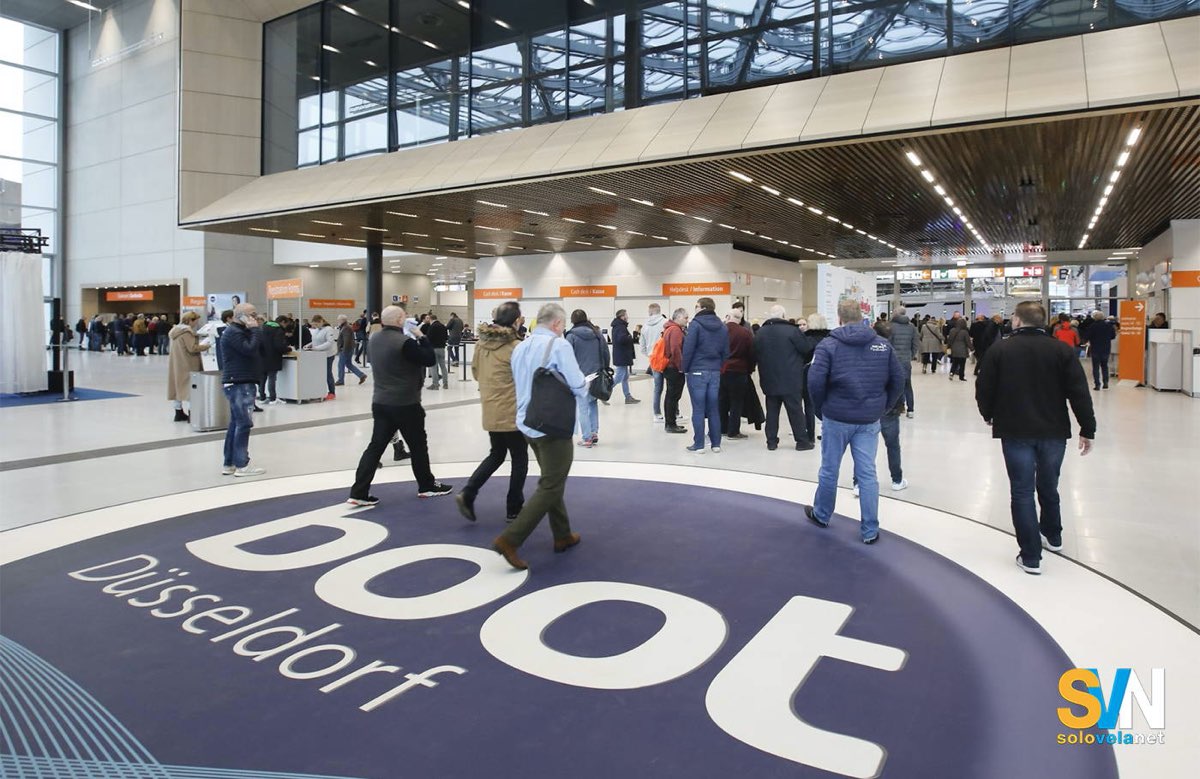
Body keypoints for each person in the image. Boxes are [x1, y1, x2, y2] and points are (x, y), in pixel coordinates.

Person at [976, 301, 1096, 575]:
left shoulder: (1000, 350)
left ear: (1017, 321)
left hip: (1014, 429)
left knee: (1021, 490)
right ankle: (1053, 536)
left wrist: (988, 414)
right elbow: (1079, 392)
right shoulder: (1061, 351)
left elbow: (984, 387)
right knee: (1049, 484)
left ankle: (1031, 556)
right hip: (1053, 430)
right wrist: (1087, 428)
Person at [490, 303, 590, 571]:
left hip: (526, 422)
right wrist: (588, 384)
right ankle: (510, 540)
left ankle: (562, 535)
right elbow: (577, 384)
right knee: (551, 485)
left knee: (551, 479)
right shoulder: (559, 346)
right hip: (552, 425)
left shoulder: (520, 346)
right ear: (557, 324)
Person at [804, 298, 904, 545]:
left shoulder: (828, 346)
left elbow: (814, 382)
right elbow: (898, 379)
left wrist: (821, 409)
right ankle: (870, 529)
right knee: (867, 473)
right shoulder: (882, 345)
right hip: (869, 419)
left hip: (837, 417)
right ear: (862, 316)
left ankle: (822, 514)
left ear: (838, 318)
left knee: (829, 469)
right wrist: (884, 406)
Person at [346, 304, 452, 505]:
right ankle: (426, 485)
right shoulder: (404, 342)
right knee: (418, 445)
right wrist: (421, 336)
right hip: (406, 403)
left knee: (375, 447)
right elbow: (429, 359)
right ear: (399, 320)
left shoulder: (374, 339)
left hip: (380, 402)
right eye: (403, 317)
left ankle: (358, 491)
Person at [457, 302, 528, 524]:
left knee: (497, 453)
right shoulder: (516, 346)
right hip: (512, 410)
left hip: (490, 408)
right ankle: (514, 507)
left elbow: (476, 373)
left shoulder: (481, 344)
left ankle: (469, 492)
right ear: (516, 321)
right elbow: (525, 379)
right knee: (519, 457)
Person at [854, 320, 908, 494]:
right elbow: (899, 382)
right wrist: (891, 403)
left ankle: (858, 482)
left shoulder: (862, 353)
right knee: (892, 444)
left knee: (864, 447)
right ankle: (897, 479)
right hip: (888, 408)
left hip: (867, 407)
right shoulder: (893, 354)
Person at [754, 305, 813, 451]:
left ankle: (771, 442)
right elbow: (806, 349)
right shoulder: (792, 331)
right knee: (795, 411)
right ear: (784, 315)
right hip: (791, 378)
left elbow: (754, 352)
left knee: (772, 411)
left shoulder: (761, 332)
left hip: (769, 378)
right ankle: (801, 441)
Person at [219, 303, 266, 477]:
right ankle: (242, 464)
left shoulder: (239, 331)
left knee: (235, 423)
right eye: (251, 314)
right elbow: (250, 349)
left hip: (241, 380)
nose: (255, 317)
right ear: (240, 316)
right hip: (240, 382)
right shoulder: (234, 333)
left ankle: (230, 462)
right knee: (244, 423)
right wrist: (255, 330)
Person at [682, 297, 730, 453]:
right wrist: (719, 366)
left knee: (698, 409)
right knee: (713, 408)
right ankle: (716, 444)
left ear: (702, 308)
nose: (694, 309)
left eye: (696, 306)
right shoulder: (723, 327)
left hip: (697, 370)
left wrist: (685, 368)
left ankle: (699, 444)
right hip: (714, 371)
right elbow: (726, 352)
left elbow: (688, 349)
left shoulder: (695, 325)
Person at [565, 310, 609, 447]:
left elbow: (566, 358)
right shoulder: (597, 334)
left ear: (572, 320)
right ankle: (594, 432)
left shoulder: (570, 336)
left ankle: (587, 437)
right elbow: (605, 353)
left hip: (579, 376)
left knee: (582, 407)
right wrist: (605, 369)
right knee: (593, 404)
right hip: (596, 375)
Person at [167, 311, 212, 422]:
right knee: (191, 388)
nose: (197, 323)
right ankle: (193, 415)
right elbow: (192, 348)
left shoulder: (175, 331)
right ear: (190, 320)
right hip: (188, 363)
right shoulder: (187, 332)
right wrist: (206, 346)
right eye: (196, 320)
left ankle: (178, 413)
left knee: (177, 388)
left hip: (177, 363)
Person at [718, 308, 755, 439]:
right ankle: (733, 431)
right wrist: (750, 369)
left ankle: (722, 428)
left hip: (722, 370)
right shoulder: (745, 333)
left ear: (728, 317)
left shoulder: (720, 331)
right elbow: (751, 353)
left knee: (722, 400)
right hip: (739, 371)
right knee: (736, 402)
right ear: (740, 319)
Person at [801, 312, 832, 445]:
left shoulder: (806, 340)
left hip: (809, 373)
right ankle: (827, 433)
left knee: (809, 405)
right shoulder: (830, 339)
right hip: (829, 374)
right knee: (828, 404)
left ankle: (810, 436)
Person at [887, 305, 919, 416]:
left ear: (895, 314)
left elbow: (888, 343)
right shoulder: (912, 327)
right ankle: (911, 410)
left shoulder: (891, 327)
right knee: (907, 385)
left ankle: (898, 407)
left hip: (894, 361)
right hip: (906, 360)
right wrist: (910, 355)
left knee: (895, 384)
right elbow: (915, 343)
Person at [661, 307, 689, 434]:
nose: (687, 320)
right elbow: (676, 350)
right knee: (673, 396)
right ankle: (671, 424)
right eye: (685, 317)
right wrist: (681, 367)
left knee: (670, 396)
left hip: (670, 367)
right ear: (678, 317)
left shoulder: (669, 329)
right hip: (674, 368)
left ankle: (670, 422)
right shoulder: (676, 330)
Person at [641, 303, 668, 421]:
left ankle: (657, 414)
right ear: (659, 310)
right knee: (672, 387)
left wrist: (650, 355)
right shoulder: (666, 323)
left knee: (658, 388)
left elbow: (642, 347)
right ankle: (675, 413)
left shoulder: (644, 326)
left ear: (650, 312)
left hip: (653, 360)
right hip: (667, 359)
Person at [259, 316, 292, 404]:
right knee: (272, 377)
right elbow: (279, 346)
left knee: (262, 378)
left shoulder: (263, 327)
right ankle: (273, 398)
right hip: (273, 357)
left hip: (262, 356)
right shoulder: (278, 330)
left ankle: (262, 397)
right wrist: (288, 349)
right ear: (283, 322)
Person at [609, 309, 640, 404]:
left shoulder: (618, 326)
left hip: (621, 355)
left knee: (625, 376)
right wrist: (630, 337)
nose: (627, 317)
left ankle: (628, 396)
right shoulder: (620, 327)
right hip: (622, 355)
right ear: (622, 316)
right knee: (619, 376)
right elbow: (621, 339)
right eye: (626, 315)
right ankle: (603, 391)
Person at [306, 314, 337, 400]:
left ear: (321, 321)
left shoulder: (329, 329)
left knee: (328, 373)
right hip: (318, 355)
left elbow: (329, 342)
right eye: (314, 325)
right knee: (318, 374)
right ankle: (318, 391)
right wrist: (309, 345)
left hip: (328, 355)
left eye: (316, 324)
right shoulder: (317, 330)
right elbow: (315, 341)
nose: (315, 326)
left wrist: (317, 348)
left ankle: (332, 392)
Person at [1084, 310, 1116, 390]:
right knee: (1105, 366)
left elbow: (1087, 337)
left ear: (1094, 318)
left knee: (1095, 367)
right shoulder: (1109, 326)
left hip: (1095, 348)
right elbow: (1113, 336)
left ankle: (1097, 384)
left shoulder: (1092, 326)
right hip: (1106, 348)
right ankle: (1105, 382)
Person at [335, 314, 368, 387]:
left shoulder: (346, 328)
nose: (338, 321)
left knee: (341, 364)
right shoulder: (345, 327)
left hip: (346, 349)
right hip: (348, 349)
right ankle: (361, 375)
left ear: (342, 320)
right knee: (348, 364)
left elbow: (347, 340)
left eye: (339, 320)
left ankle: (340, 380)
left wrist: (343, 349)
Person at [425, 314, 450, 390]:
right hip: (442, 348)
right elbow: (446, 337)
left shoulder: (432, 327)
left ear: (430, 319)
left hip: (433, 348)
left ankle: (435, 384)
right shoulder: (443, 326)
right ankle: (445, 384)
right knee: (443, 366)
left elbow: (429, 337)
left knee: (433, 367)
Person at [945, 317, 971, 381]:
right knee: (962, 364)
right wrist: (972, 348)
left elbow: (950, 340)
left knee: (954, 363)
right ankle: (961, 376)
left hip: (954, 349)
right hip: (963, 350)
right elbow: (968, 342)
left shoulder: (952, 330)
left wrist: (948, 347)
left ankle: (951, 374)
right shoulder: (965, 332)